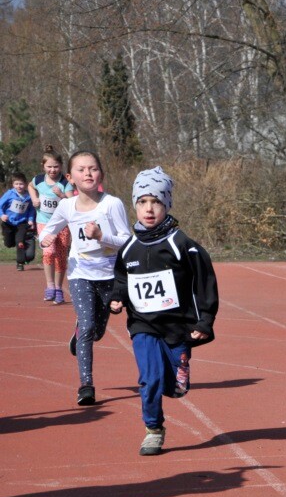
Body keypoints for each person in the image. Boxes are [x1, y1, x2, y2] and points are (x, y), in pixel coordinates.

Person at [108, 167, 219, 455]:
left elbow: (204, 282)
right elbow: (122, 277)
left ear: (166, 204)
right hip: (142, 323)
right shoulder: (129, 247)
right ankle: (153, 429)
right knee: (150, 378)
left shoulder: (181, 244)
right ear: (135, 205)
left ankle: (179, 368)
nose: (149, 208)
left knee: (176, 387)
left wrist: (204, 321)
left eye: (156, 202)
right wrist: (117, 297)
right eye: (142, 202)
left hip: (177, 325)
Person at [39, 151, 130, 406]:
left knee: (96, 332)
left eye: (93, 168)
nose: (88, 173)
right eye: (81, 169)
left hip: (110, 276)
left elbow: (126, 241)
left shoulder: (112, 204)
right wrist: (45, 239)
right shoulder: (67, 206)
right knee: (88, 328)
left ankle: (79, 333)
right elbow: (47, 231)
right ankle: (86, 385)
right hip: (80, 274)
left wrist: (101, 236)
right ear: (70, 178)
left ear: (101, 174)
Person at [28, 146, 72, 303]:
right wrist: (34, 198)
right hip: (44, 223)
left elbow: (72, 202)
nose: (52, 170)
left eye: (56, 167)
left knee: (60, 256)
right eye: (49, 167)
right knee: (48, 252)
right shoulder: (38, 180)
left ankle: (59, 288)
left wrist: (61, 195)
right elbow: (30, 186)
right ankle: (50, 285)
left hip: (62, 225)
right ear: (43, 166)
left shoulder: (65, 182)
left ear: (61, 166)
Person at [1, 172, 37, 271]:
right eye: (16, 184)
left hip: (22, 223)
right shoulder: (10, 194)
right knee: (9, 244)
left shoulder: (28, 196)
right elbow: (0, 205)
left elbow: (31, 209)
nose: (19, 186)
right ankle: (11, 240)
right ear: (13, 184)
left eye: (21, 184)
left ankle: (20, 262)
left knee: (19, 241)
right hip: (8, 223)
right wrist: (2, 215)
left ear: (25, 184)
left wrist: (30, 220)